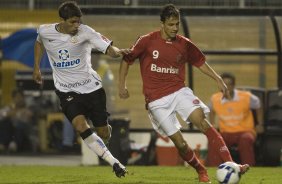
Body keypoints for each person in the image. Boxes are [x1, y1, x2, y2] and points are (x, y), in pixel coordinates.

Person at [118, 4, 249, 183]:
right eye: (171, 24)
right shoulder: (147, 41)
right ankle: (201, 170)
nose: (175, 28)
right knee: (180, 143)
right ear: (162, 23)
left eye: (177, 24)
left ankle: (233, 164)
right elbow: (127, 59)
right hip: (156, 100)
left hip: (179, 91)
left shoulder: (184, 44)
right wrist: (122, 86)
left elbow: (200, 62)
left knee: (202, 122)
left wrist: (217, 78)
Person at [33, 1, 129, 178]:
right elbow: (39, 42)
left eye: (78, 21)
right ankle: (114, 162)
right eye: (72, 22)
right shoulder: (45, 30)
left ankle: (104, 128)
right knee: (79, 125)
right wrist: (36, 67)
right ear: (61, 20)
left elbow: (108, 48)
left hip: (92, 89)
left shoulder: (86, 32)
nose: (76, 25)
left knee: (103, 133)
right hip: (66, 91)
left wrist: (118, 52)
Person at [207, 72, 264, 166]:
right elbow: (211, 109)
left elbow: (258, 105)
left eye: (228, 85)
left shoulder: (246, 97)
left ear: (233, 86)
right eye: (222, 84)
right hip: (225, 132)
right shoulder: (215, 98)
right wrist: (213, 123)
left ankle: (248, 168)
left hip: (245, 131)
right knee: (214, 140)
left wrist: (259, 124)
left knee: (246, 140)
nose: (225, 87)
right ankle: (215, 169)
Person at [0, 88, 35, 153]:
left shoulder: (28, 108)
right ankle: (2, 144)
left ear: (23, 98)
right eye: (16, 97)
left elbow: (27, 117)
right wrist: (10, 113)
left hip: (23, 135)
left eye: (20, 97)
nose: (19, 99)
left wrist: (15, 113)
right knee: (5, 122)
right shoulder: (10, 108)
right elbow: (2, 114)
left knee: (19, 125)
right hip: (9, 134)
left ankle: (14, 144)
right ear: (13, 98)